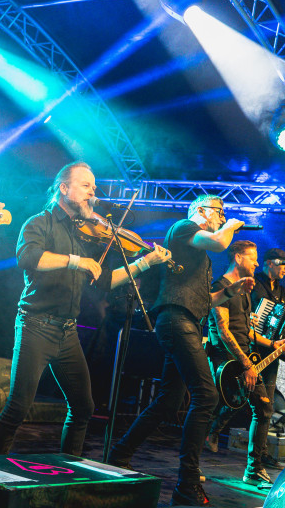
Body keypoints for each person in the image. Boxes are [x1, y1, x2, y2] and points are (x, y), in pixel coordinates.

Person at [0, 161, 171, 456]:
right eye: (86, 186)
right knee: (18, 408)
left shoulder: (85, 232)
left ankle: (67, 469)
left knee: (83, 407)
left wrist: (144, 262)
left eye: (94, 187)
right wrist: (76, 260)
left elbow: (105, 281)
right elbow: (28, 258)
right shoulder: (39, 222)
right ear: (64, 188)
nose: (92, 193)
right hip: (36, 325)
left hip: (67, 332)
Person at [107, 195, 253, 507]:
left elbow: (204, 300)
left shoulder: (198, 253)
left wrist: (229, 292)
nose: (222, 217)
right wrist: (229, 226)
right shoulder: (184, 228)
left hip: (186, 322)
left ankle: (119, 454)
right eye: (220, 212)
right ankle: (187, 482)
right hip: (176, 321)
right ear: (202, 211)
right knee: (206, 395)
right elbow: (219, 242)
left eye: (224, 215)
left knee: (169, 400)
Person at [205, 241, 285, 487]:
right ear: (238, 257)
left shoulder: (244, 290)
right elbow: (223, 331)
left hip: (245, 357)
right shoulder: (221, 287)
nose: (256, 263)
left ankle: (253, 468)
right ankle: (201, 452)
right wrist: (245, 364)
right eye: (252, 258)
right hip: (228, 360)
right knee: (243, 404)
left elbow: (248, 330)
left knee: (263, 408)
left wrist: (272, 344)